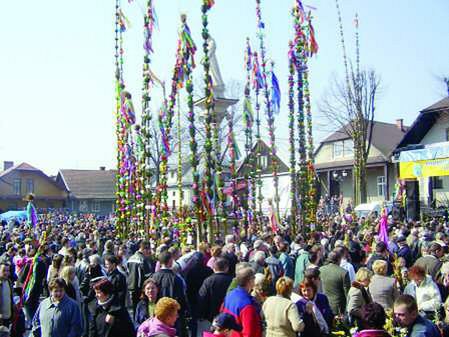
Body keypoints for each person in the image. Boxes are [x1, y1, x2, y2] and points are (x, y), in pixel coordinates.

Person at [151, 250, 189, 337]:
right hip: (173, 316)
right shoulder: (176, 278)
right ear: (170, 261)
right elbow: (181, 298)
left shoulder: (154, 277)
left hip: (158, 314)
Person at [222, 266, 262, 337]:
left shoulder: (230, 294)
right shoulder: (248, 306)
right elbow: (249, 334)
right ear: (250, 281)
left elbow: (222, 314)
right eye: (254, 278)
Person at [198, 258, 233, 334]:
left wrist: (202, 315)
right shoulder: (232, 281)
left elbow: (202, 297)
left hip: (211, 316)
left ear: (214, 268)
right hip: (228, 315)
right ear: (227, 268)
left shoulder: (209, 280)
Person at [319, 250, 351, 315]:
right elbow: (347, 293)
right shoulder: (343, 273)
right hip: (338, 307)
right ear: (339, 259)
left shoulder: (320, 270)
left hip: (323, 305)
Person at [128, 240, 153, 311]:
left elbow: (128, 272)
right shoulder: (143, 260)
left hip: (131, 287)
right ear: (144, 249)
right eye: (148, 250)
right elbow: (148, 276)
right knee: (142, 309)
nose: (149, 252)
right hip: (140, 289)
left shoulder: (130, 258)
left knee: (134, 309)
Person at [0, 262, 14, 332]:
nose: (6, 273)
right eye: (4, 270)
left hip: (8, 317)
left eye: (8, 270)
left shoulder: (9, 282)